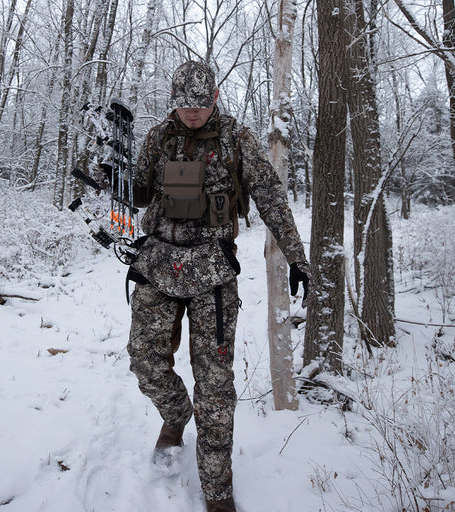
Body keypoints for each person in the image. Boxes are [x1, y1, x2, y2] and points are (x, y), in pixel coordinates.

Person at [126, 60, 310, 512]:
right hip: (158, 265)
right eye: (185, 105)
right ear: (175, 101)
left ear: (214, 98)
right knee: (144, 360)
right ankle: (175, 414)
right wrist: (110, 171)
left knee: (215, 389)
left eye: (201, 104)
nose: (193, 113)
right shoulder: (156, 138)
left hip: (211, 275)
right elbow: (136, 194)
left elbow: (271, 197)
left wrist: (296, 257)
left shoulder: (237, 139)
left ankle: (218, 494)